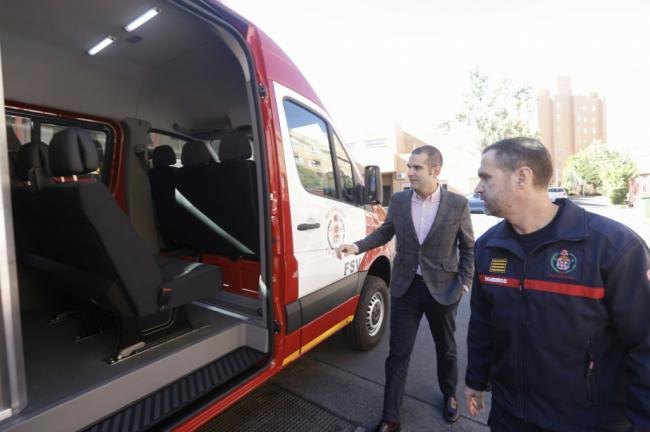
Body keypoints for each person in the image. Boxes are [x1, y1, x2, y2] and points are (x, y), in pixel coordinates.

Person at [465, 137, 650, 432]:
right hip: (510, 416)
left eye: (485, 177)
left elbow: (644, 346)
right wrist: (475, 379)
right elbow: (483, 322)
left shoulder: (613, 246)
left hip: (588, 422)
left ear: (522, 177)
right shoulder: (489, 246)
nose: (477, 188)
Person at [337, 145, 474, 432]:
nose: (409, 172)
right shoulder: (399, 201)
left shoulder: (458, 204)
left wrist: (464, 283)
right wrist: (357, 246)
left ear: (435, 170)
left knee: (446, 349)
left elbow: (468, 247)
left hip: (443, 289)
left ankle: (449, 394)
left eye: (416, 168)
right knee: (397, 354)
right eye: (409, 167)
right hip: (405, 288)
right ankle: (390, 417)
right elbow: (385, 232)